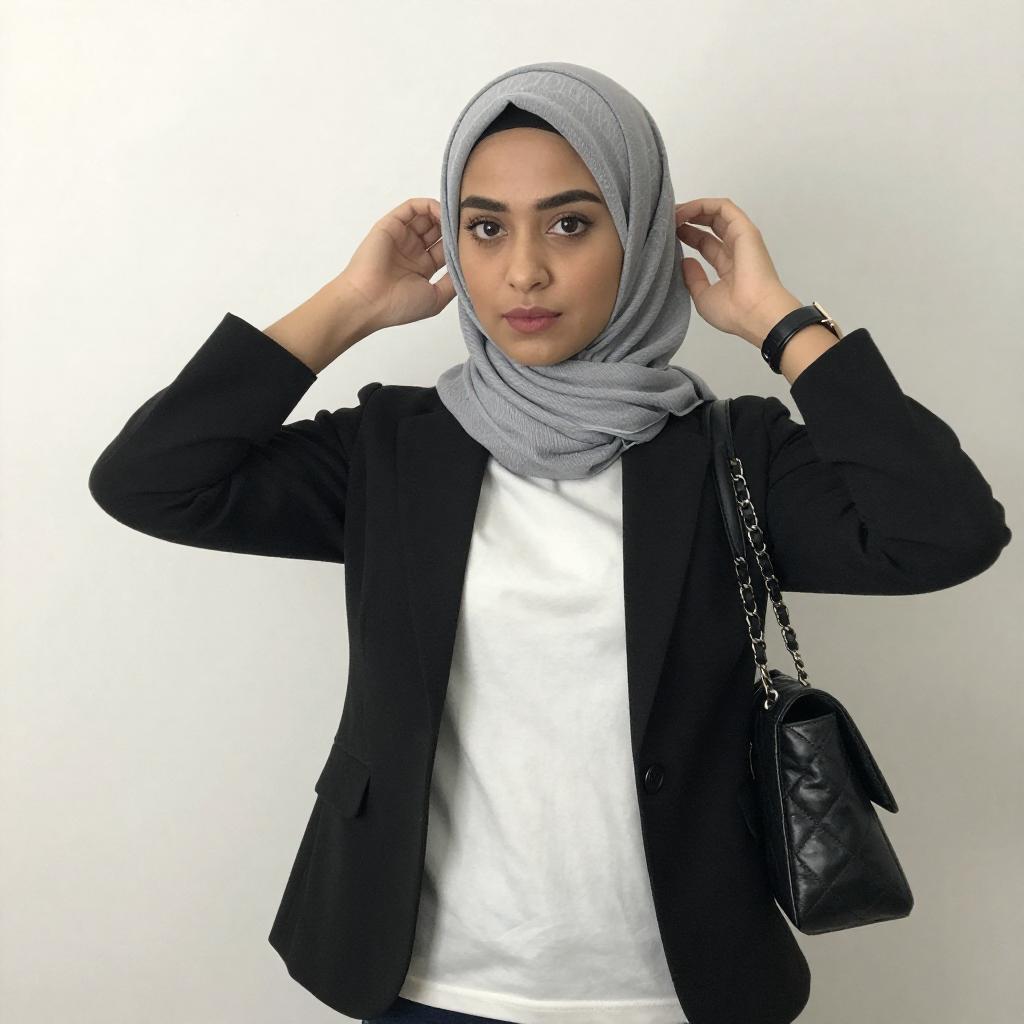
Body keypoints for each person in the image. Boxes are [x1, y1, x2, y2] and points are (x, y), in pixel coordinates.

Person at [88, 62, 1012, 1024]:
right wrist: (349, 306)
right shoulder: (394, 449)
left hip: (671, 988)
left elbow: (944, 535)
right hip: (423, 983)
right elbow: (150, 480)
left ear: (641, 238)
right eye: (486, 229)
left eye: (570, 224)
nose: (523, 271)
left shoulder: (731, 454)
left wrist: (783, 325)